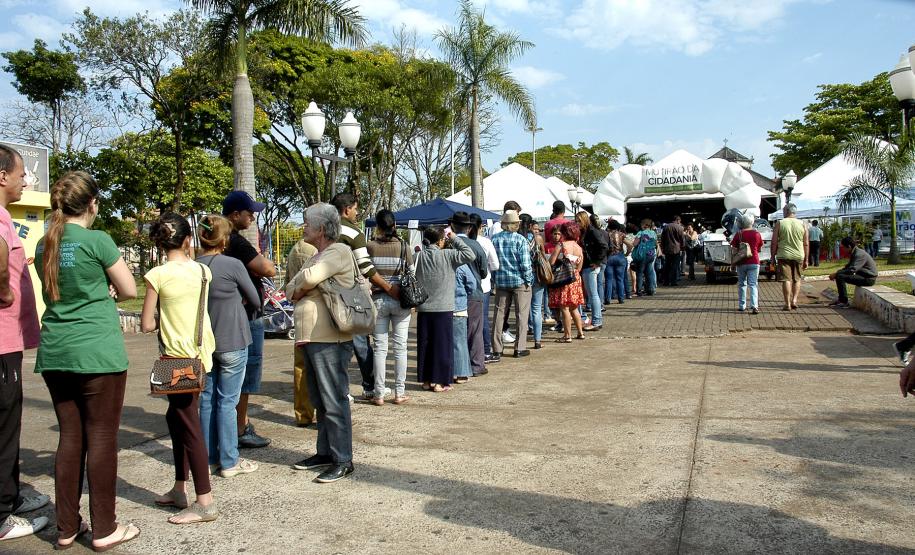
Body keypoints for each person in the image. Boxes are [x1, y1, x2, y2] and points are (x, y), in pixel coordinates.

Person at [33, 171, 137, 549]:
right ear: (93, 203)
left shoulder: (46, 244)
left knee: (70, 438)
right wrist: (105, 292)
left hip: (56, 349)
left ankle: (66, 528)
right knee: (103, 438)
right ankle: (106, 528)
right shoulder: (98, 240)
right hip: (97, 351)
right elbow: (128, 289)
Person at [142, 213, 218, 524]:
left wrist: (164, 318)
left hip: (175, 360)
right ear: (188, 240)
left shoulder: (156, 275)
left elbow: (146, 323)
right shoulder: (202, 271)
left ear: (160, 243)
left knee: (188, 426)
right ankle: (179, 488)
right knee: (177, 419)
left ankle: (205, 501)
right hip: (200, 355)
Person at [286, 203, 359, 483]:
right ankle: (325, 452)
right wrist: (303, 286)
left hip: (330, 338)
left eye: (306, 223)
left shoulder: (338, 250)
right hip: (311, 336)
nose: (303, 227)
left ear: (320, 228)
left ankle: (343, 458)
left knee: (333, 399)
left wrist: (305, 284)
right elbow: (291, 286)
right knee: (318, 398)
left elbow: (308, 278)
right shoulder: (317, 254)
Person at [0, 146, 47, 543]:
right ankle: (2, 513)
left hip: (8, 342)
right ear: (1, 176)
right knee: (3, 425)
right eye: (20, 174)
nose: (24, 180)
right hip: (1, 341)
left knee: (9, 423)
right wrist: (5, 290)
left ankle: (10, 495)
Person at [195, 215, 261, 478]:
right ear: (224, 240)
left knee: (208, 399)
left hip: (205, 343)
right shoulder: (233, 265)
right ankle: (230, 460)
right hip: (233, 339)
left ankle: (209, 458)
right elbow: (255, 299)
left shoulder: (194, 267)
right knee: (228, 401)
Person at [222, 190, 276, 449]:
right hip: (245, 318)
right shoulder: (236, 243)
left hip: (216, 324)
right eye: (249, 212)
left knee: (216, 383)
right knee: (244, 373)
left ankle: (223, 431)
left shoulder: (213, 249)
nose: (253, 216)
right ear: (234, 215)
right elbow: (268, 269)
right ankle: (239, 428)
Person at [331, 193, 397, 401]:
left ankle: (340, 390)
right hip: (351, 291)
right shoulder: (352, 231)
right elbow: (366, 266)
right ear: (347, 209)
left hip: (326, 291)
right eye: (355, 208)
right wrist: (387, 286)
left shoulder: (323, 227)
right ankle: (369, 385)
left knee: (334, 342)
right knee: (359, 340)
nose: (357, 212)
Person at [414, 227, 475, 390]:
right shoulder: (448, 255)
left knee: (425, 345)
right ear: (441, 240)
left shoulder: (418, 256)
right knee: (442, 346)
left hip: (423, 307)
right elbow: (470, 254)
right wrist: (454, 238)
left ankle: (426, 381)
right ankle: (439, 382)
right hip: (444, 307)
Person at [366, 209, 412, 405]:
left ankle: (378, 394)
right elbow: (411, 273)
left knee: (380, 349)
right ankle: (399, 393)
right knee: (400, 348)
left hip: (378, 300)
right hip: (400, 300)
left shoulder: (370, 247)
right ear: (394, 225)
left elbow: (366, 272)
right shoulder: (404, 247)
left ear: (378, 226)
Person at [491, 210, 534, 359]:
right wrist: (529, 280)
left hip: (501, 282)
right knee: (521, 315)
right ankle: (519, 348)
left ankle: (497, 348)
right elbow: (526, 264)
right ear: (516, 224)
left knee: (499, 315)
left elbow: (492, 263)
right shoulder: (520, 240)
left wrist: (495, 280)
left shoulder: (494, 239)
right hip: (519, 281)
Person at [450, 212, 488, 377]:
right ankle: (476, 365)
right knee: (474, 331)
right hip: (473, 293)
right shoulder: (476, 245)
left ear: (452, 226)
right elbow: (484, 272)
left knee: (456, 333)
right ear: (469, 227)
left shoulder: (447, 245)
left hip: (451, 294)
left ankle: (457, 366)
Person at [286, 237, 318, 426]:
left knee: (301, 366)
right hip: (315, 312)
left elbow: (290, 282)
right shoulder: (315, 251)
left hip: (299, 311)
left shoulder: (296, 248)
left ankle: (303, 413)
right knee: (321, 366)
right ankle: (323, 413)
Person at [470, 213, 500, 365]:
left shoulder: (460, 242)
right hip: (483, 285)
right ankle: (486, 351)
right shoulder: (485, 242)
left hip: (465, 287)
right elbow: (495, 265)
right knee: (482, 319)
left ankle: (470, 351)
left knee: (468, 320)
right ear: (481, 226)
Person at [549, 222, 586, 342]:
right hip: (575, 278)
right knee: (574, 308)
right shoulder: (579, 247)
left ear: (565, 233)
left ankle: (567, 335)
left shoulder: (562, 245)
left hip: (564, 279)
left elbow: (551, 261)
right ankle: (580, 333)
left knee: (564, 308)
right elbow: (579, 267)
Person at [771, 203, 808, 311]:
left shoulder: (780, 223)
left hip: (784, 255)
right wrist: (806, 259)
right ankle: (794, 300)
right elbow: (806, 243)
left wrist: (772, 257)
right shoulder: (802, 224)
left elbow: (774, 242)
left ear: (786, 211)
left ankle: (787, 303)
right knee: (797, 279)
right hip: (798, 255)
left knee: (786, 279)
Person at [828, 236, 878, 308]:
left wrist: (836, 274)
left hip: (868, 279)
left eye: (843, 247)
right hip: (863, 276)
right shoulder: (854, 252)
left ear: (849, 246)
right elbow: (848, 267)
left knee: (840, 277)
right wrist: (837, 273)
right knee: (839, 275)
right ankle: (841, 300)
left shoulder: (859, 254)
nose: (843, 249)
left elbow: (852, 270)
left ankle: (843, 301)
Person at [520, 214, 546, 349]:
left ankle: (522, 339)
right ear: (531, 226)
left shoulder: (519, 239)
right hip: (537, 275)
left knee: (524, 309)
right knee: (536, 308)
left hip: (522, 277)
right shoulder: (538, 238)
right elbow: (542, 255)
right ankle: (537, 339)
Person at [579, 211, 607, 331]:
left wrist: (597, 261)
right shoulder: (587, 232)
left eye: (579, 221)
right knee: (592, 294)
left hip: (591, 266)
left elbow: (604, 246)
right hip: (589, 265)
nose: (577, 223)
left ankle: (596, 321)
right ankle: (596, 320)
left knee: (593, 294)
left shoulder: (592, 232)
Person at [731, 213, 764, 314]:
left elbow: (734, 249)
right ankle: (754, 306)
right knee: (753, 284)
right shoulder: (757, 234)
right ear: (752, 222)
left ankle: (742, 305)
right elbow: (759, 248)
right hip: (754, 261)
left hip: (741, 262)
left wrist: (733, 262)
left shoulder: (739, 234)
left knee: (742, 284)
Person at [453, 262, 477, 384]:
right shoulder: (461, 266)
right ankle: (461, 373)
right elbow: (472, 284)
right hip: (459, 306)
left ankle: (449, 371)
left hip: (443, 307)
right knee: (460, 342)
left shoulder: (443, 262)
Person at [604, 220, 628, 305]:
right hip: (620, 256)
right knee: (620, 279)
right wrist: (627, 253)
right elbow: (630, 244)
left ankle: (607, 299)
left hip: (609, 257)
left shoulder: (606, 234)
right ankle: (621, 298)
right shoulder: (621, 234)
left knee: (608, 279)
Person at [633, 219, 658, 296]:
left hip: (642, 255)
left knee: (640, 273)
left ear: (644, 225)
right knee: (649, 273)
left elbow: (635, 244)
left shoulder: (640, 233)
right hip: (651, 255)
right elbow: (656, 244)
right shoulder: (653, 233)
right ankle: (650, 290)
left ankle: (639, 291)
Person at [660, 215, 686, 287]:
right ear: (678, 220)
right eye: (679, 221)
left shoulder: (666, 227)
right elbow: (682, 239)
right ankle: (673, 281)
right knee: (675, 265)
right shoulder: (679, 228)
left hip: (667, 249)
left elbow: (662, 239)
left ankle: (666, 281)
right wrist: (683, 248)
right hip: (676, 249)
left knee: (667, 265)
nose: (680, 223)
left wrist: (662, 248)